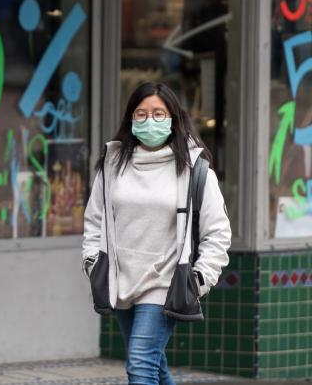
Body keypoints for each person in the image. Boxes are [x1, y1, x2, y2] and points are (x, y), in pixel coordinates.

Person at [82, 82, 231, 385]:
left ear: (173, 119)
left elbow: (217, 231)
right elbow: (94, 219)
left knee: (140, 365)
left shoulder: (194, 169)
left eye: (158, 113)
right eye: (141, 113)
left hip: (165, 282)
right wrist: (92, 262)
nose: (150, 120)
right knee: (153, 364)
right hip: (120, 281)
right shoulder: (112, 164)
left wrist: (199, 278)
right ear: (131, 119)